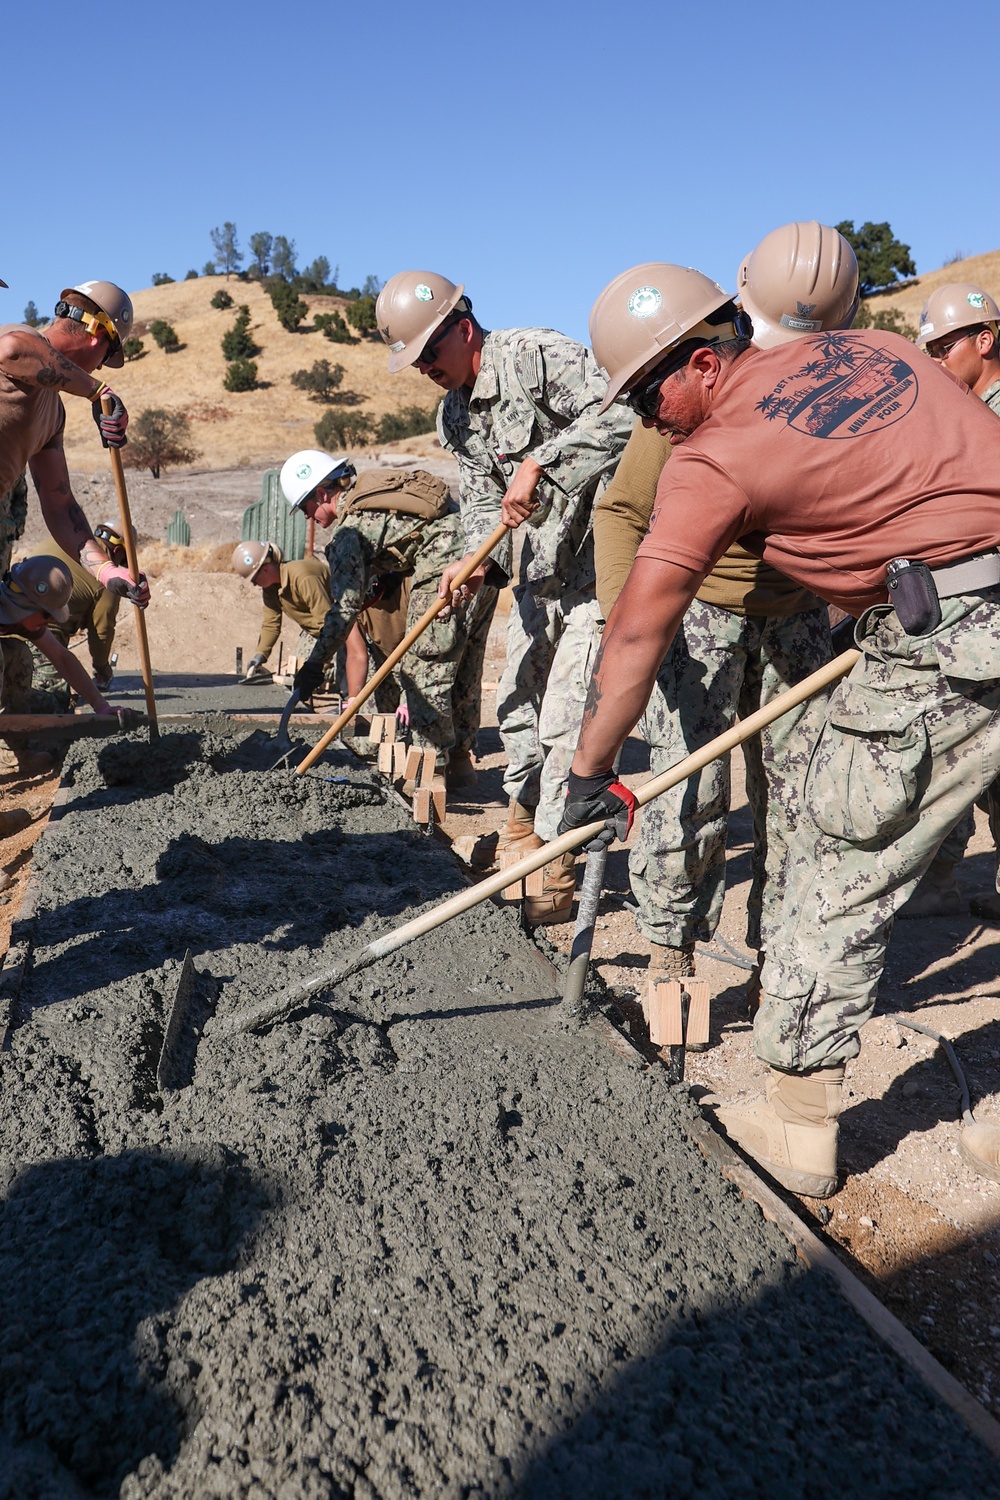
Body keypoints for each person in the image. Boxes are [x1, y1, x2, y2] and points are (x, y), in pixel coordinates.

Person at [560, 259, 1000, 1196]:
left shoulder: (716, 455)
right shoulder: (878, 350)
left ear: (701, 360)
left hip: (955, 644)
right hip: (959, 609)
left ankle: (800, 1124)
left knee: (835, 865)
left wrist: (587, 774)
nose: (646, 419)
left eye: (647, 393)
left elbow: (640, 625)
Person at [595, 223, 856, 1006]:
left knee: (800, 795)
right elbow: (620, 513)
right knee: (686, 788)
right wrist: (627, 624)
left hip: (801, 620)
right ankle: (670, 949)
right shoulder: (688, 407)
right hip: (703, 615)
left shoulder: (819, 386)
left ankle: (779, 961)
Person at [375, 271, 632, 921]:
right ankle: (519, 831)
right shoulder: (454, 414)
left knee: (567, 721)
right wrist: (471, 562)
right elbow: (483, 501)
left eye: (431, 354)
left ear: (463, 328)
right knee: (517, 713)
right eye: (417, 363)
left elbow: (626, 413)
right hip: (536, 580)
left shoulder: (535, 357)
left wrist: (544, 462)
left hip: (595, 571)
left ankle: (555, 867)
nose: (427, 370)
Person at [282, 451, 497, 792]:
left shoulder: (347, 532)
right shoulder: (373, 505)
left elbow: (344, 610)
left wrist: (314, 665)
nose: (309, 517)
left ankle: (431, 776)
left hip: (447, 569)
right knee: (464, 662)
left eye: (306, 508)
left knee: (422, 667)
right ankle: (460, 764)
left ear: (322, 494)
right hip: (480, 558)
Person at [0, 281, 149, 758]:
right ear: (95, 335)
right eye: (106, 356)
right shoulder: (23, 344)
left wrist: (107, 571)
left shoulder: (53, 414)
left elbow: (60, 503)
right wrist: (97, 389)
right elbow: (10, 350)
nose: (101, 366)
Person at [899, 284, 1000, 919]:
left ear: (985, 340)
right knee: (952, 754)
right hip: (965, 621)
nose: (933, 361)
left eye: (943, 346)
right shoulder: (959, 412)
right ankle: (938, 883)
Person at [26, 522, 126, 710]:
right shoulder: (107, 572)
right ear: (119, 550)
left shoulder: (63, 541)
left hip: (17, 625)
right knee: (53, 707)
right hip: (39, 630)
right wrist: (102, 668)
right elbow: (102, 631)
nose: (121, 565)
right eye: (124, 560)